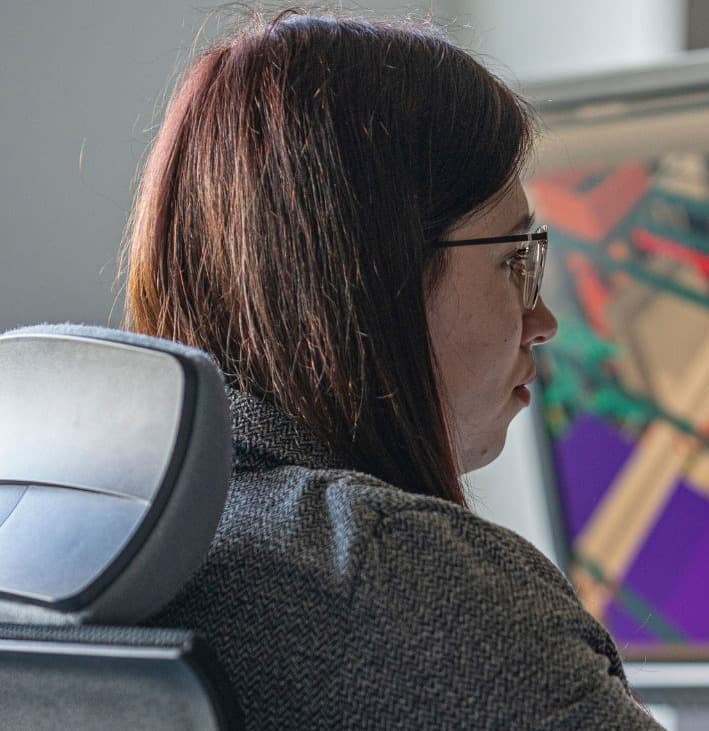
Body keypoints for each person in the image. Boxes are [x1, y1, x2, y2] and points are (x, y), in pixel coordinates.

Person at [125, 10, 663, 729]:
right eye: (513, 260)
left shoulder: (127, 536)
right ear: (375, 274)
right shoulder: (405, 577)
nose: (543, 321)